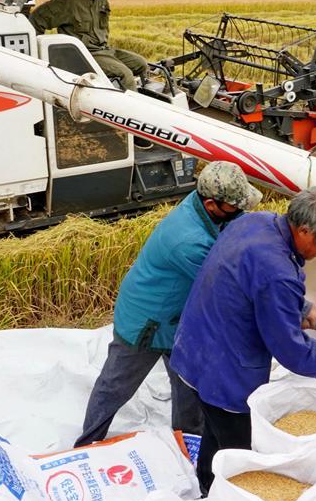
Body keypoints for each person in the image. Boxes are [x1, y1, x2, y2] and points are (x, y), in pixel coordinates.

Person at [170, 185, 316, 494]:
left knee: (214, 429)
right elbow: (292, 352)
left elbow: (249, 282)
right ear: (304, 231)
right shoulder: (278, 273)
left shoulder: (255, 222)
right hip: (226, 373)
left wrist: (302, 306)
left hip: (193, 348)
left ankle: (207, 486)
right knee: (240, 454)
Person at [73, 161, 262, 448]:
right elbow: (227, 288)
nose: (241, 212)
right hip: (147, 322)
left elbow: (233, 232)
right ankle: (86, 443)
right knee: (116, 386)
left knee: (187, 382)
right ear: (212, 204)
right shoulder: (188, 242)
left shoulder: (202, 205)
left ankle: (188, 441)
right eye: (235, 207)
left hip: (176, 319)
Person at [29, 0, 148, 91]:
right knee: (125, 75)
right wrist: (38, 54)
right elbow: (37, 19)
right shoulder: (68, 1)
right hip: (83, 55)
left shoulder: (102, 1)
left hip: (104, 51)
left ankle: (133, 94)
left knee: (141, 64)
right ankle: (129, 109)